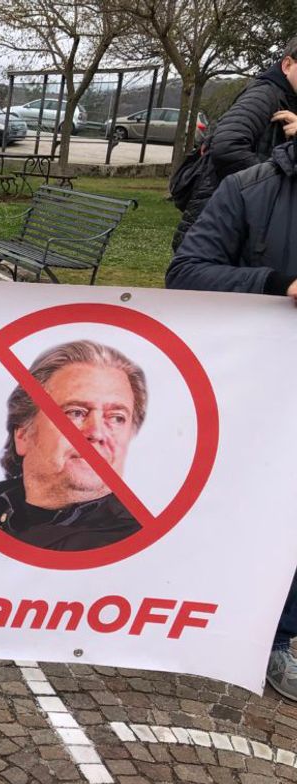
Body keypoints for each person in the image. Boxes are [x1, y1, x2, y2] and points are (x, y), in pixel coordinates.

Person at [165, 137, 297, 702]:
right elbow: (187, 272)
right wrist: (275, 286)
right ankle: (269, 635)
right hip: (262, 391)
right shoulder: (250, 188)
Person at [0, 340, 147, 552]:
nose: (97, 432)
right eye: (75, 412)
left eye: (116, 418)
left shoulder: (140, 549)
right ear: (23, 436)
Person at [173, 38, 297, 250]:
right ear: (287, 65)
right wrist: (277, 186)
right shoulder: (265, 94)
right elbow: (227, 146)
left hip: (243, 226)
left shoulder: (288, 100)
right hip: (219, 227)